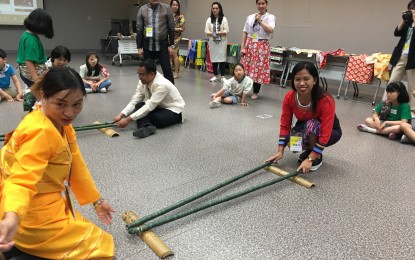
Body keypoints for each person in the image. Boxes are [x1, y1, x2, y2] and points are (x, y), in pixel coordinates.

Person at [0, 68, 115, 259]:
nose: (70, 113)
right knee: (101, 249)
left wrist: (97, 201)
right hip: (25, 208)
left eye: (77, 104)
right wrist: (12, 215)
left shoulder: (53, 120)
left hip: (35, 200)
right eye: (61, 104)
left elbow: (75, 164)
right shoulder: (41, 132)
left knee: (88, 234)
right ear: (44, 96)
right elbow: (21, 180)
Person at [266, 62, 342, 173]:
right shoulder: (290, 97)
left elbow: (325, 134)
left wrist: (310, 159)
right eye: (297, 79)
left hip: (330, 133)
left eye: (306, 79)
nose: (302, 83)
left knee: (312, 124)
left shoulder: (325, 100)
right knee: (290, 143)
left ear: (314, 80)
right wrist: (280, 151)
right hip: (306, 127)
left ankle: (316, 156)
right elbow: (285, 125)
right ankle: (311, 149)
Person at [113, 59, 185, 138]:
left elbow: (149, 106)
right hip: (159, 106)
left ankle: (145, 125)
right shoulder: (143, 81)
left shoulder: (162, 84)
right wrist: (121, 115)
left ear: (151, 74)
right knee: (139, 105)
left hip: (174, 110)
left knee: (155, 118)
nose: (139, 78)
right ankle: (147, 127)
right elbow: (135, 100)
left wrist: (127, 120)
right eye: (138, 74)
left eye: (142, 75)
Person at [17, 8, 53, 111]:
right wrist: (36, 79)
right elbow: (29, 61)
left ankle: (36, 106)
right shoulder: (31, 40)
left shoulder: (26, 34)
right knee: (41, 94)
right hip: (32, 72)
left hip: (25, 70)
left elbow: (23, 56)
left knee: (39, 92)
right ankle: (38, 109)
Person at [241, 0, 276, 100]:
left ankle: (255, 91)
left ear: (266, 4)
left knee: (258, 68)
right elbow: (245, 32)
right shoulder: (250, 17)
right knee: (246, 67)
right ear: (256, 4)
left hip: (262, 45)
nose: (261, 6)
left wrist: (260, 20)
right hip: (250, 43)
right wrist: (242, 47)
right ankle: (244, 89)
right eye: (259, 4)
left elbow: (270, 30)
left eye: (263, 3)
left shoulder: (270, 17)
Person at [136, 0, 175, 84]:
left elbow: (171, 28)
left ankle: (170, 93)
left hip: (162, 45)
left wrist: (171, 45)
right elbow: (139, 29)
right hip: (147, 46)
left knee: (167, 70)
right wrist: (139, 47)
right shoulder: (142, 9)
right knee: (147, 71)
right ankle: (148, 92)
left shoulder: (167, 8)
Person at [388, 0, 415, 117]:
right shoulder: (408, 22)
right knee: (392, 81)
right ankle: (387, 104)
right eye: (410, 9)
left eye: (413, 9)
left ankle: (413, 110)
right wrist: (404, 19)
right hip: (401, 55)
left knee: (412, 86)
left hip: (413, 58)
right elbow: (396, 32)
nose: (411, 11)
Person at [205, 2, 229, 83]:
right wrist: (215, 33)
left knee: (222, 58)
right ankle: (215, 75)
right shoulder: (209, 19)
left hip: (222, 42)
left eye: (216, 8)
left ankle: (222, 77)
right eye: (213, 8)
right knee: (214, 58)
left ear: (219, 9)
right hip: (213, 42)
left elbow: (226, 30)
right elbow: (206, 31)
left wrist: (219, 33)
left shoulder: (224, 19)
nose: (215, 10)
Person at [169, 0, 185, 79]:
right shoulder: (168, 15)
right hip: (168, 37)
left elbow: (182, 29)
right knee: (168, 54)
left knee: (174, 54)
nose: (175, 6)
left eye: (176, 5)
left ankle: (176, 72)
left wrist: (173, 29)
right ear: (171, 6)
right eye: (173, 5)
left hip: (176, 38)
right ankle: (169, 71)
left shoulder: (181, 16)